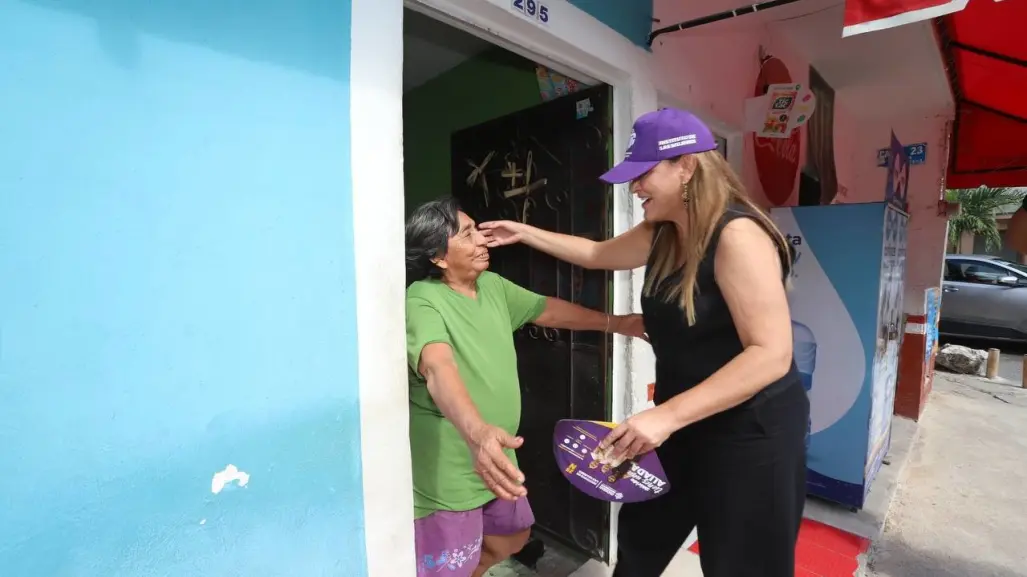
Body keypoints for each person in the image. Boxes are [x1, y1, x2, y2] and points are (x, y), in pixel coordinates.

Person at [479, 107, 809, 577]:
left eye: (643, 175)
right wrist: (524, 231)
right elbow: (596, 255)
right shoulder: (663, 232)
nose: (634, 189)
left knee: (741, 563)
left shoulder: (737, 235)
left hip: (750, 431)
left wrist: (665, 416)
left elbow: (771, 354)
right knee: (640, 545)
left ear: (687, 166)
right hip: (680, 424)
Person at [405, 197, 646, 577]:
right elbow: (438, 366)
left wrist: (616, 323)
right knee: (447, 564)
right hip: (452, 462)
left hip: (497, 454)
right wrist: (477, 432)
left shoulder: (492, 286)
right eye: (468, 234)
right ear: (438, 256)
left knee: (512, 536)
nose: (482, 239)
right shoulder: (422, 300)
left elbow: (546, 309)